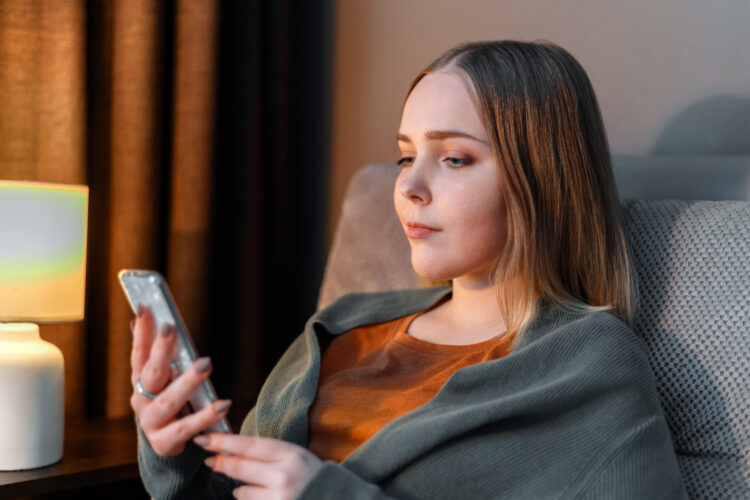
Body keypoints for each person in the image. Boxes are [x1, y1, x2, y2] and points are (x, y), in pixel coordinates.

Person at [130, 40, 688, 499]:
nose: (408, 187)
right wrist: (172, 452)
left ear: (541, 179)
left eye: (453, 158)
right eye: (406, 156)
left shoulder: (589, 362)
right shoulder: (340, 327)